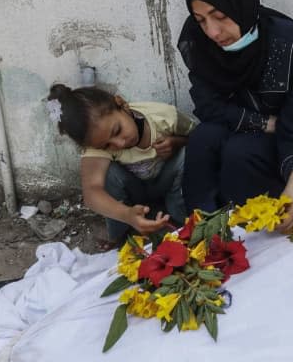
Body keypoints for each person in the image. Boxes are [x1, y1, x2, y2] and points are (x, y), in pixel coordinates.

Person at [178, 0, 293, 232]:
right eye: (201, 19)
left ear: (240, 0)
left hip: (281, 144)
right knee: (203, 139)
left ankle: (256, 232)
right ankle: (203, 231)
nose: (212, 32)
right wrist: (266, 122)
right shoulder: (197, 42)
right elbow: (207, 106)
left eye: (219, 15)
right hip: (243, 126)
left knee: (240, 152)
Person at [46, 84, 193, 246]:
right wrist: (127, 214)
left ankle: (182, 220)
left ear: (121, 103)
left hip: (168, 182)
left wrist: (177, 142)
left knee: (187, 154)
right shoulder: (97, 143)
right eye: (106, 146)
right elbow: (91, 192)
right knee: (108, 172)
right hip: (136, 194)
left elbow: (200, 139)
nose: (119, 143)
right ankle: (123, 238)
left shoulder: (163, 116)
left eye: (117, 131)